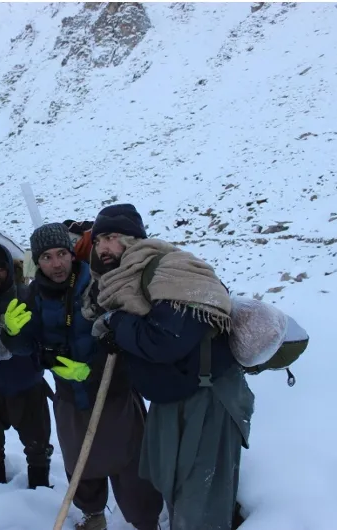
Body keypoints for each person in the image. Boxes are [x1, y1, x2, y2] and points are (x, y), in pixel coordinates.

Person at [86, 204, 255, 530]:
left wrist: (117, 324)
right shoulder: (125, 282)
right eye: (97, 241)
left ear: (133, 238)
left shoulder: (172, 269)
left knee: (199, 505)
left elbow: (166, 340)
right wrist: (118, 335)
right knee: (175, 489)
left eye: (110, 237)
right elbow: (144, 333)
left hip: (207, 400)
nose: (101, 247)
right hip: (171, 403)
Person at [1, 222, 163, 530]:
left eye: (61, 254)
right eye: (47, 257)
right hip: (69, 397)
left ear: (72, 254)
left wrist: (94, 368)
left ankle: (146, 521)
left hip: (113, 391)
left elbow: (123, 333)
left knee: (131, 465)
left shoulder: (97, 285)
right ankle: (93, 516)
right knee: (81, 463)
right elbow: (27, 347)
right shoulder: (32, 295)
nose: (56, 264)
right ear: (37, 261)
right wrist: (12, 334)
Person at [0, 242, 53, 489]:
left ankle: (40, 494)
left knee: (38, 445)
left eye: (0, 268)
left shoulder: (27, 296)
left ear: (10, 270)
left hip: (27, 384)